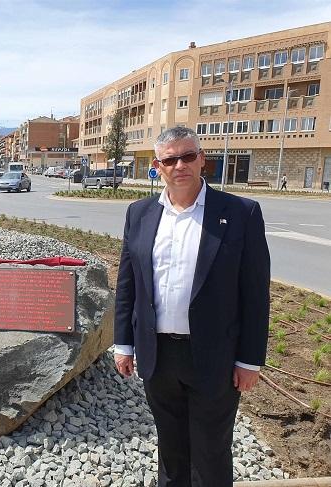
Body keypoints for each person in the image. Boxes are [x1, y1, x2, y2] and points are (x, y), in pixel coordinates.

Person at [114, 127, 270, 487]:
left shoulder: (240, 213)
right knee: (171, 449)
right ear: (158, 166)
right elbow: (128, 285)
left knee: (211, 452)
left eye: (188, 156)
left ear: (202, 159)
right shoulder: (139, 214)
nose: (179, 165)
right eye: (170, 159)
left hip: (214, 356)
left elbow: (255, 293)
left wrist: (249, 360)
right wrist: (124, 344)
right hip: (158, 356)